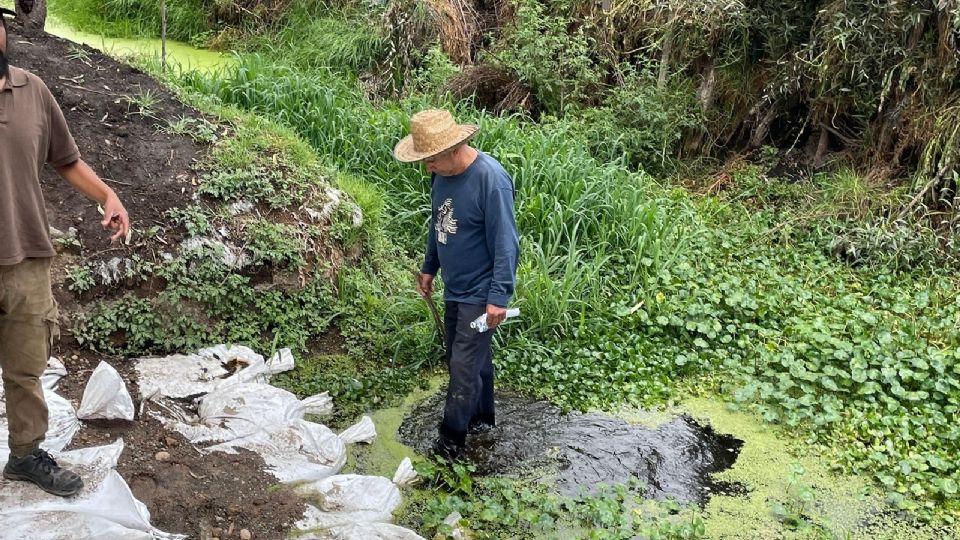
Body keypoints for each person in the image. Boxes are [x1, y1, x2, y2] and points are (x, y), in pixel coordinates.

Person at [0, 9, 130, 496]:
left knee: (26, 365)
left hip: (26, 254)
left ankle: (26, 454)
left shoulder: (32, 91)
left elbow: (65, 158)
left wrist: (106, 197)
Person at [394, 109, 519, 461]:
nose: (427, 168)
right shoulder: (442, 176)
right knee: (470, 359)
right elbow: (439, 225)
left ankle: (450, 446)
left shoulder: (490, 180)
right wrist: (429, 267)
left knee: (461, 365)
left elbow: (506, 243)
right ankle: (482, 419)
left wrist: (498, 297)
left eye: (431, 160)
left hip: (481, 292)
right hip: (455, 287)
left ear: (455, 147)